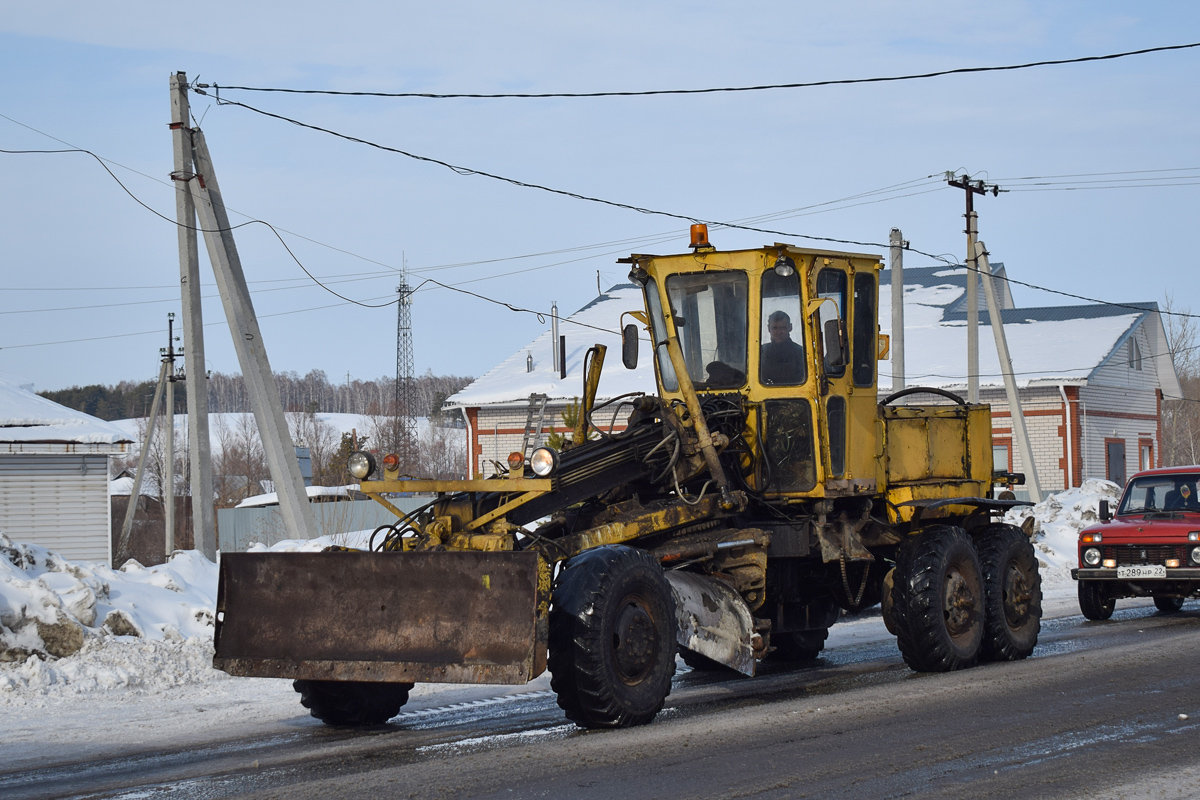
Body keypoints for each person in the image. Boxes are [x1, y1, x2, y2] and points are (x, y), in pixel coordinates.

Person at [760, 310, 806, 384]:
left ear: (790, 327)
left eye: (783, 328)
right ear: (768, 328)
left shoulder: (802, 354)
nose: (779, 332)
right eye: (775, 328)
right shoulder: (760, 353)